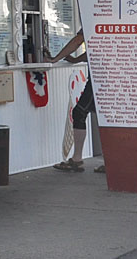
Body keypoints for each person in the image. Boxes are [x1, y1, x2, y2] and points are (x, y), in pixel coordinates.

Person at [46, 30, 102, 173]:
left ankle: (77, 159)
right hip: (112, 77)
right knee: (105, 118)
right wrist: (76, 60)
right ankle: (112, 160)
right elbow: (94, 49)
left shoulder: (93, 18)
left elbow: (77, 41)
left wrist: (55, 58)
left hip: (100, 78)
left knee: (79, 112)